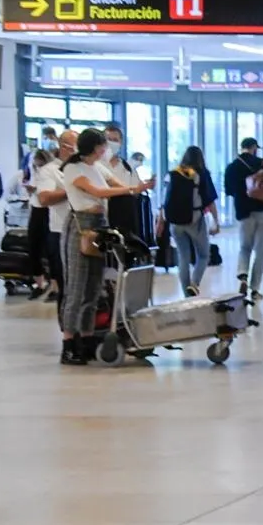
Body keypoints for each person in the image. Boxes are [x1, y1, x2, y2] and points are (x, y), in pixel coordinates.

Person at [57, 128, 149, 364]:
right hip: (80, 228)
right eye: (102, 146)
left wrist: (136, 187)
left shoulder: (97, 166)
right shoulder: (72, 168)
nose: (105, 150)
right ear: (92, 147)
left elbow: (114, 184)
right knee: (76, 288)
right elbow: (98, 191)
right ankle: (69, 344)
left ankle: (87, 340)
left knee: (94, 287)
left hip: (99, 226)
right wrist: (130, 189)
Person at [157, 146, 220, 297]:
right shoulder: (202, 174)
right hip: (195, 219)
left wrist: (161, 221)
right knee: (204, 254)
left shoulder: (173, 174)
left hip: (175, 222)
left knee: (183, 256)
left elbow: (164, 200)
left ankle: (187, 292)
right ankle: (195, 283)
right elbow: (210, 201)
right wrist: (216, 221)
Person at [31, 130, 81, 305]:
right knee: (65, 284)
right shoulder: (49, 171)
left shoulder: (82, 168)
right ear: (64, 147)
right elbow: (44, 198)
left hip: (83, 229)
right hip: (61, 231)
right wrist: (72, 190)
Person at [225, 137, 263, 300]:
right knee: (261, 251)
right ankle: (255, 290)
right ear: (254, 148)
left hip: (244, 213)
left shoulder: (232, 167)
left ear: (242, 148)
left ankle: (242, 276)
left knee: (245, 247)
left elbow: (229, 190)